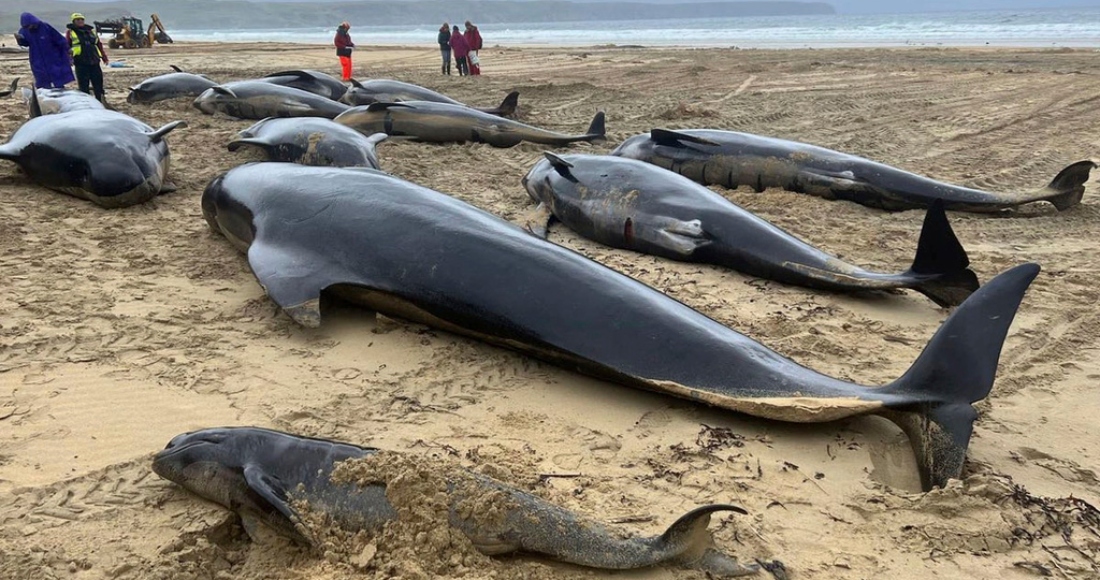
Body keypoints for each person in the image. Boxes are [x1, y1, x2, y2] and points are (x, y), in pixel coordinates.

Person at [15, 12, 75, 89]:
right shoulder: (24, 30)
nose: (29, 28)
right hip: (37, 57)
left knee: (57, 76)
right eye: (27, 26)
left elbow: (59, 39)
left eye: (29, 25)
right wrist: (19, 40)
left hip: (52, 56)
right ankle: (44, 94)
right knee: (41, 78)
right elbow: (25, 44)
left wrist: (67, 49)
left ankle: (60, 90)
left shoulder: (45, 27)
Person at [66, 13, 109, 103]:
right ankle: (86, 103)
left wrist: (104, 57)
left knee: (98, 84)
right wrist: (69, 59)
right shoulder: (70, 32)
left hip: (94, 61)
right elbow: (66, 46)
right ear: (73, 21)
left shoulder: (91, 31)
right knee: (83, 86)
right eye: (78, 20)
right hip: (81, 62)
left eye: (82, 19)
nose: (80, 21)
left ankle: (101, 101)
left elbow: (99, 44)